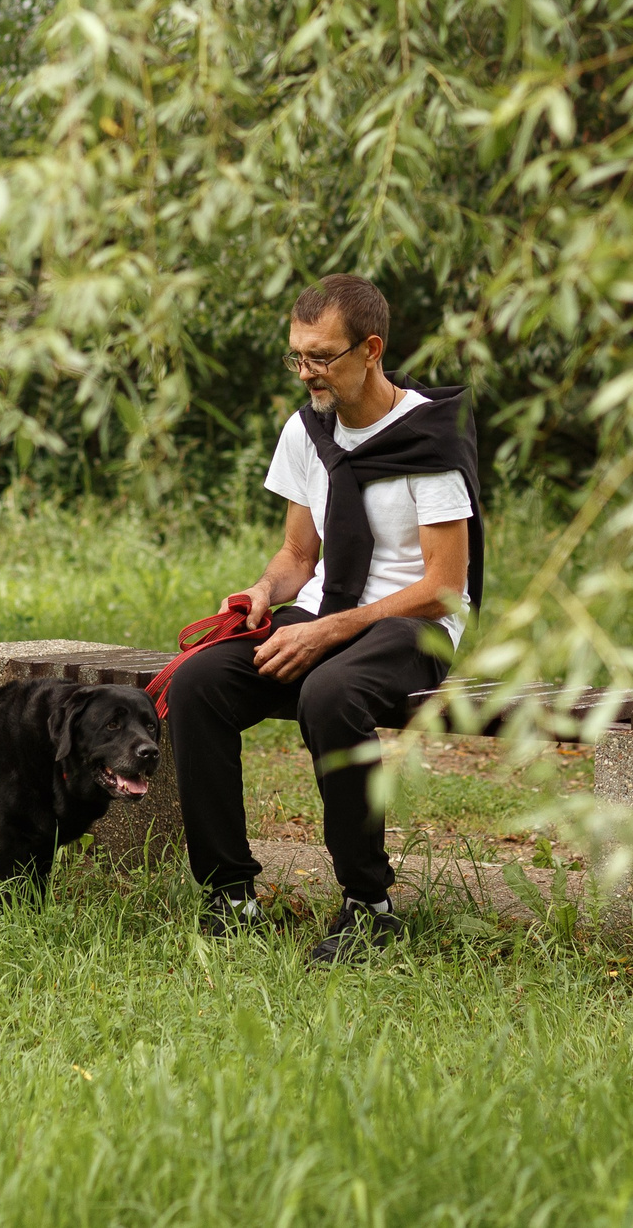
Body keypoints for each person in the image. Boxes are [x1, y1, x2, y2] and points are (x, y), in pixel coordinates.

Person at [160, 273, 486, 964]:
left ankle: (369, 906)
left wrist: (333, 631)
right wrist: (260, 592)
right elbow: (296, 554)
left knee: (328, 691)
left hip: (412, 626)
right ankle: (231, 893)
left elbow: (444, 585)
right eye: (297, 356)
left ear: (371, 349)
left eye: (321, 357)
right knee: (198, 685)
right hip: (321, 614)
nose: (306, 373)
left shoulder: (429, 438)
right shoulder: (306, 432)